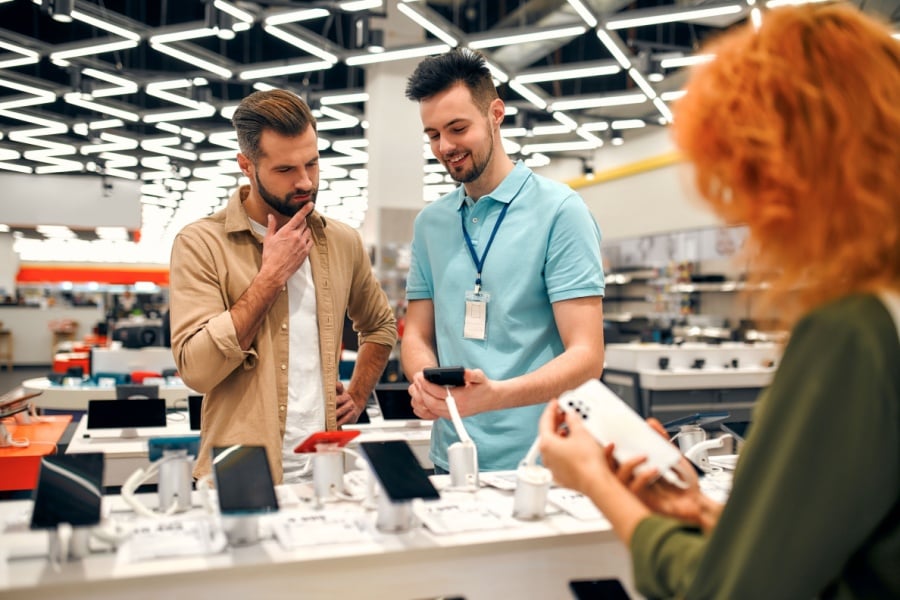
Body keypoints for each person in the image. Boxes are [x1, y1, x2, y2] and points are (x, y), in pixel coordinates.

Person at [538, 5, 900, 598]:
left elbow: (727, 592)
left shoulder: (852, 332)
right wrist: (711, 515)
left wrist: (595, 480)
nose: (741, 213)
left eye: (749, 179)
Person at [169, 89, 397, 484]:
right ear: (247, 165)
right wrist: (270, 277)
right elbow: (197, 369)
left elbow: (380, 326)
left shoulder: (342, 242)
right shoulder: (201, 243)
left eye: (312, 163)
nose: (305, 181)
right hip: (238, 468)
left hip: (327, 466)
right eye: (285, 170)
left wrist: (358, 394)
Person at [402, 48, 606, 472]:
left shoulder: (560, 211)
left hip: (544, 460)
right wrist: (424, 381)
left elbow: (587, 356)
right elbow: (418, 334)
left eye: (458, 128)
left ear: (496, 113)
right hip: (452, 457)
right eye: (433, 135)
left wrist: (495, 395)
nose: (446, 147)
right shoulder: (430, 224)